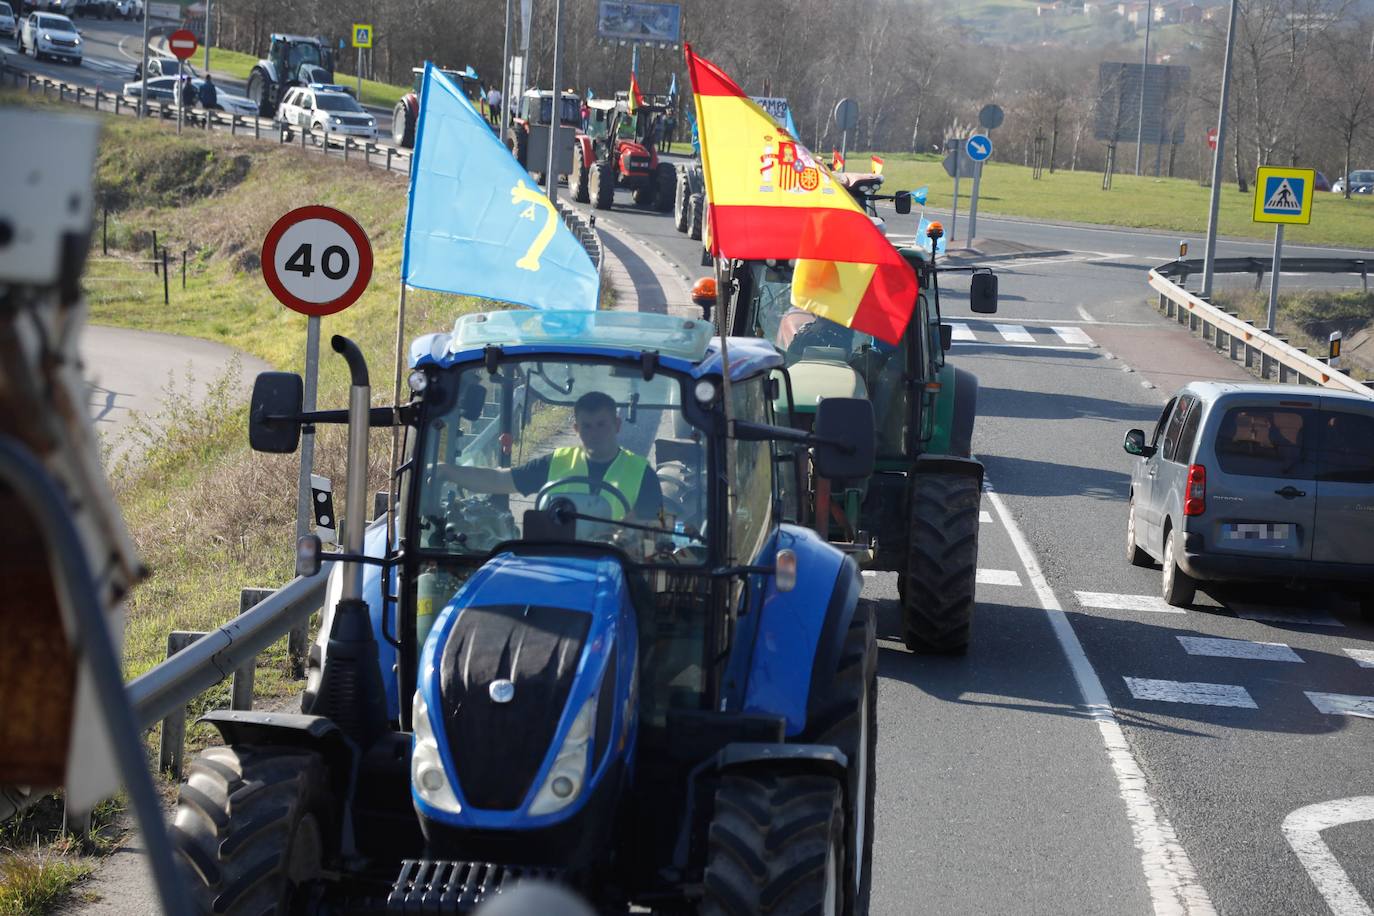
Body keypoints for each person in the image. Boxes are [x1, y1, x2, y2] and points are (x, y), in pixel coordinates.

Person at [443, 391, 663, 523]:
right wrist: (446, 470)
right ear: (576, 429)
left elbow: (653, 532)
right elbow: (499, 480)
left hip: (615, 571)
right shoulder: (557, 462)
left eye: (602, 424)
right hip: (552, 567)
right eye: (587, 426)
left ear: (616, 425)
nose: (595, 433)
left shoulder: (642, 473)